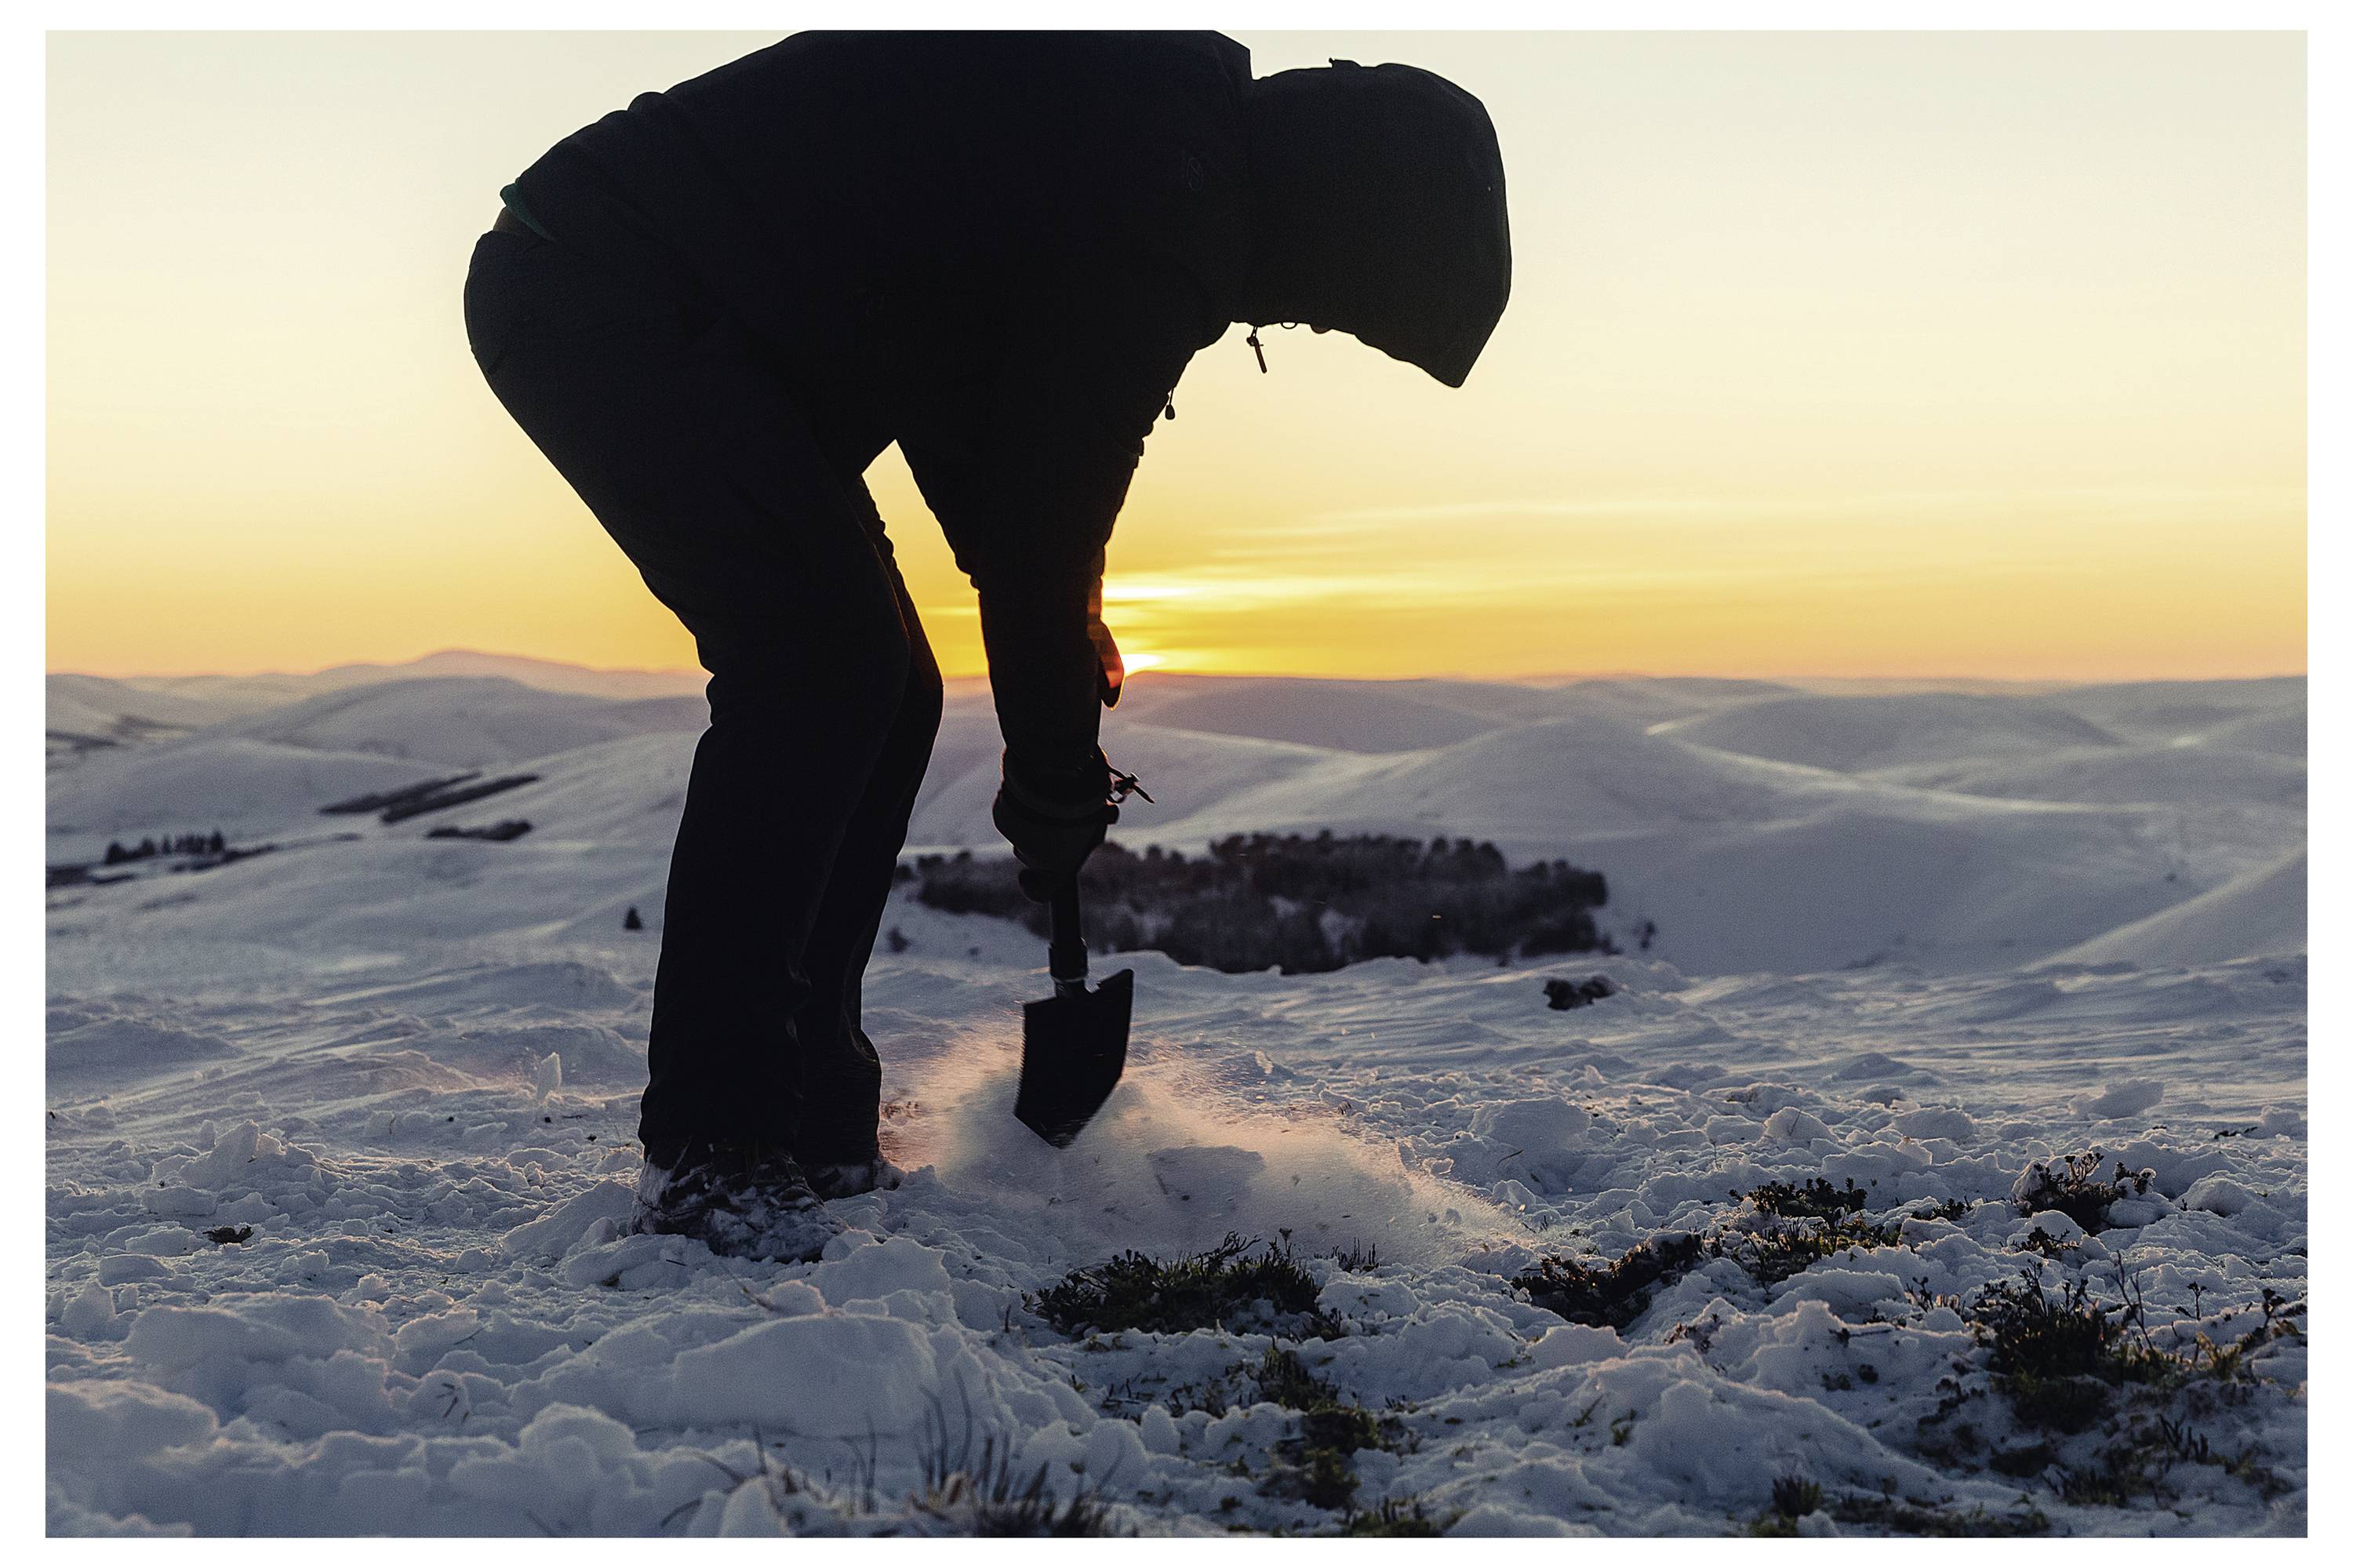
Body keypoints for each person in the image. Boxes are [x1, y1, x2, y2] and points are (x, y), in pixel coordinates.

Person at [462, 31, 1508, 1261]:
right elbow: (1044, 509)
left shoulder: (1143, 142)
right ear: (1340, 214)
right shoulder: (1163, 204)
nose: (1294, 318)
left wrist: (1056, 649)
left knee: (884, 683)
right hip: (608, 292)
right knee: (815, 665)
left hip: (639, 291)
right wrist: (1056, 768)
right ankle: (717, 1148)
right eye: (1331, 304)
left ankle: (808, 1119)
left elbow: (977, 419)